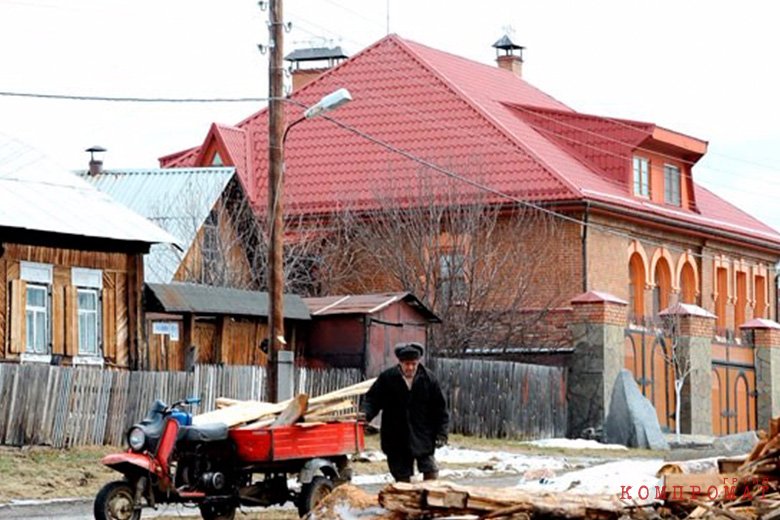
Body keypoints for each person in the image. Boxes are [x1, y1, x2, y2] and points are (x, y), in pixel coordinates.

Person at [363, 342, 449, 482]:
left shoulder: (428, 379)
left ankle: (429, 501)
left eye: (413, 364)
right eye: (406, 364)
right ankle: (404, 500)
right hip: (396, 435)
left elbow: (440, 409)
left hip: (423, 434)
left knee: (430, 472)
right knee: (402, 478)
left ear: (418, 362)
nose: (410, 367)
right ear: (400, 363)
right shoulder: (388, 378)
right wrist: (365, 415)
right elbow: (372, 400)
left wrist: (442, 433)